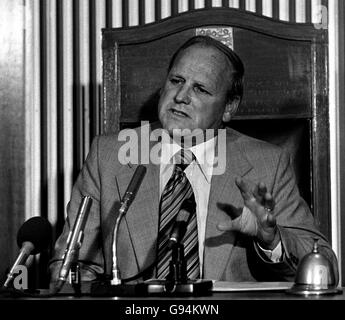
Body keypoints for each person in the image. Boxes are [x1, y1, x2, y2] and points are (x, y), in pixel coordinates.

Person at [49, 35, 339, 284]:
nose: (181, 96)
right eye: (176, 81)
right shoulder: (109, 156)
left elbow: (324, 268)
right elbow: (72, 267)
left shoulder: (268, 164)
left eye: (200, 89)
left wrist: (271, 239)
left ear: (228, 107)